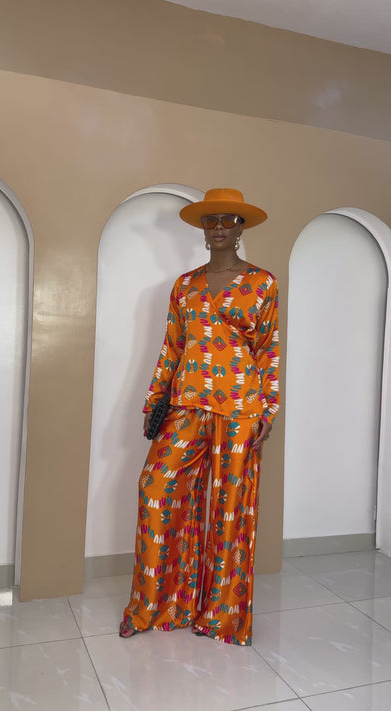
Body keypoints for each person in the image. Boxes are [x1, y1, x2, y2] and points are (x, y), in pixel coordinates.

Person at [120, 188, 279, 646]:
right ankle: (154, 605)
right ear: (203, 229)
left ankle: (222, 619)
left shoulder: (262, 283)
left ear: (241, 227)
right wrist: (155, 400)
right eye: (212, 222)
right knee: (155, 487)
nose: (219, 229)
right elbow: (171, 347)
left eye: (228, 221)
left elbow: (267, 349)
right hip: (186, 403)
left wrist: (269, 405)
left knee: (230, 511)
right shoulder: (184, 285)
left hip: (240, 408)